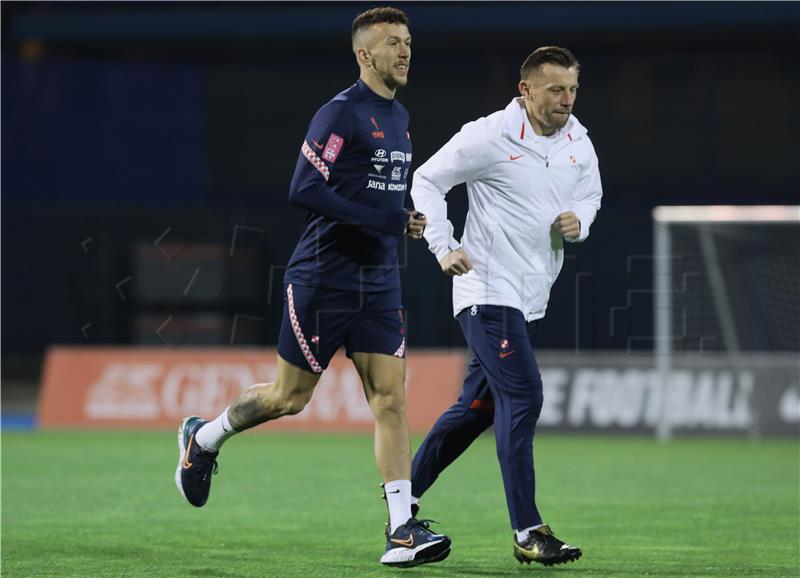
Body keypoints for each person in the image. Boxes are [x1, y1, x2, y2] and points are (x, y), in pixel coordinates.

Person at [174, 7, 451, 568]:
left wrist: (404, 217)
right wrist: (386, 220)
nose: (405, 52)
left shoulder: (399, 118)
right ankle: (203, 438)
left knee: (392, 401)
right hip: (323, 277)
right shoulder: (340, 113)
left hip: (378, 281)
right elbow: (305, 187)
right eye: (393, 43)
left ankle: (402, 530)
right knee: (289, 398)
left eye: (409, 43)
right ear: (364, 54)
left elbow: (376, 198)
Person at [408, 46, 602, 567]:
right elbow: (427, 179)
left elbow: (591, 195)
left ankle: (402, 502)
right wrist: (444, 245)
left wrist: (579, 220)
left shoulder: (579, 142)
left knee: (477, 409)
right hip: (485, 290)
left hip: (531, 296)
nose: (567, 100)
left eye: (573, 89)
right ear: (527, 90)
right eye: (556, 90)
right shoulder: (490, 134)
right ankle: (527, 529)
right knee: (524, 394)